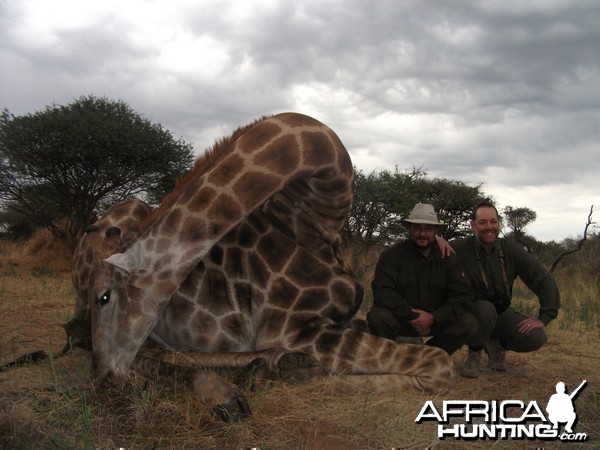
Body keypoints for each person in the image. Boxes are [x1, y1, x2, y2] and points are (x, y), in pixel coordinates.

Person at [453, 201, 560, 378]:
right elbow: (429, 254)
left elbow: (543, 279)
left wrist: (545, 316)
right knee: (484, 309)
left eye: (493, 221)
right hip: (468, 315)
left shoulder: (511, 250)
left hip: (499, 313)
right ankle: (474, 353)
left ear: (499, 223)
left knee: (536, 337)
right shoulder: (458, 247)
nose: (489, 227)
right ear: (472, 225)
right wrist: (439, 240)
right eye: (483, 222)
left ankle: (496, 344)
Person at [367, 203, 477, 355]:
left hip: (436, 322)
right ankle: (392, 356)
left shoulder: (449, 258)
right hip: (403, 319)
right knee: (377, 316)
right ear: (409, 228)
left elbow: (463, 296)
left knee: (468, 322)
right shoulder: (391, 256)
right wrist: (414, 317)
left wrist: (434, 317)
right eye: (417, 228)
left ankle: (429, 355)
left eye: (428, 229)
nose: (422, 234)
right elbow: (383, 293)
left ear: (436, 231)